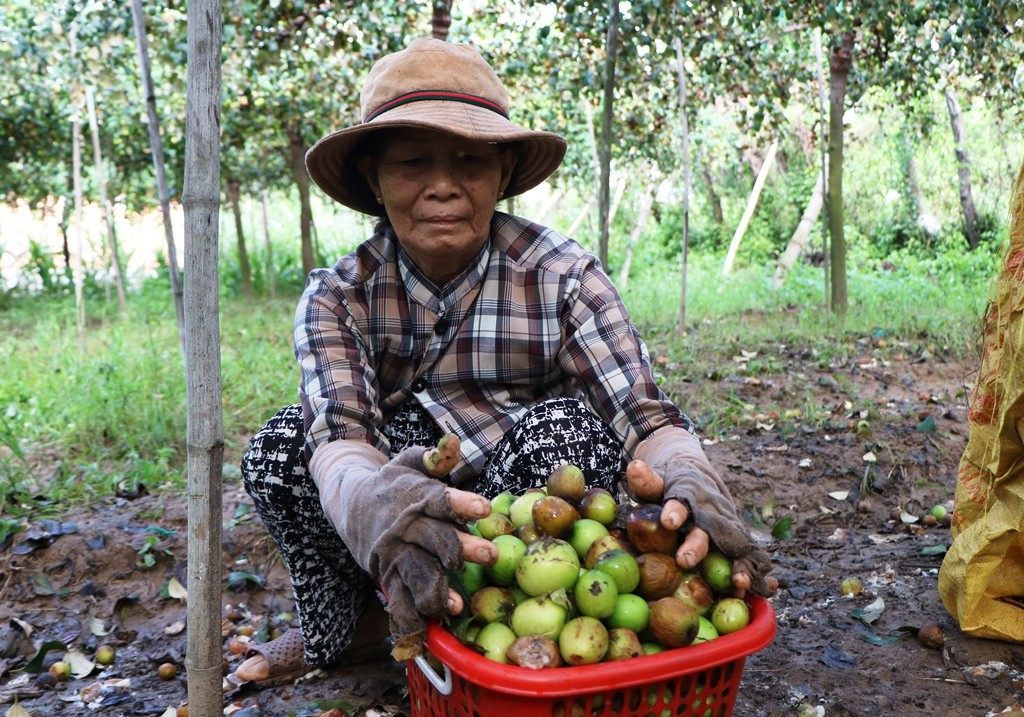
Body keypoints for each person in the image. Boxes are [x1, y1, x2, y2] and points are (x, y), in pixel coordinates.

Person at [229, 37, 774, 688]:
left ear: (503, 173)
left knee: (571, 430)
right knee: (282, 448)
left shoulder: (564, 278)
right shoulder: (339, 296)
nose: (443, 187)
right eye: (411, 162)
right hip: (407, 499)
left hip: (523, 513)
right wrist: (382, 505)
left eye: (469, 160)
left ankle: (507, 637)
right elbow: (342, 444)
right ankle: (354, 630)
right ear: (374, 178)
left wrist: (691, 478)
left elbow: (644, 418)